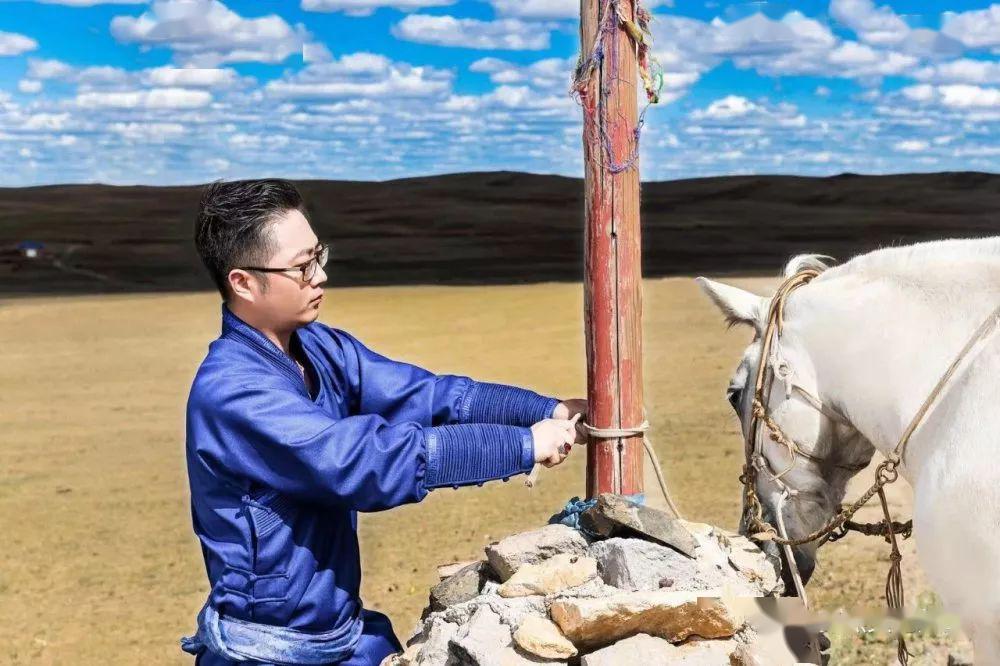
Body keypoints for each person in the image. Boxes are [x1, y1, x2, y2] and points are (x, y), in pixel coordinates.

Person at [180, 179, 587, 665]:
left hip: (341, 635)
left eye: (319, 256)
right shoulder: (233, 391)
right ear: (243, 282)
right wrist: (519, 446)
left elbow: (431, 396)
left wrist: (547, 411)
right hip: (268, 653)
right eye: (302, 266)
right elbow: (358, 461)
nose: (320, 276)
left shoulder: (321, 349)